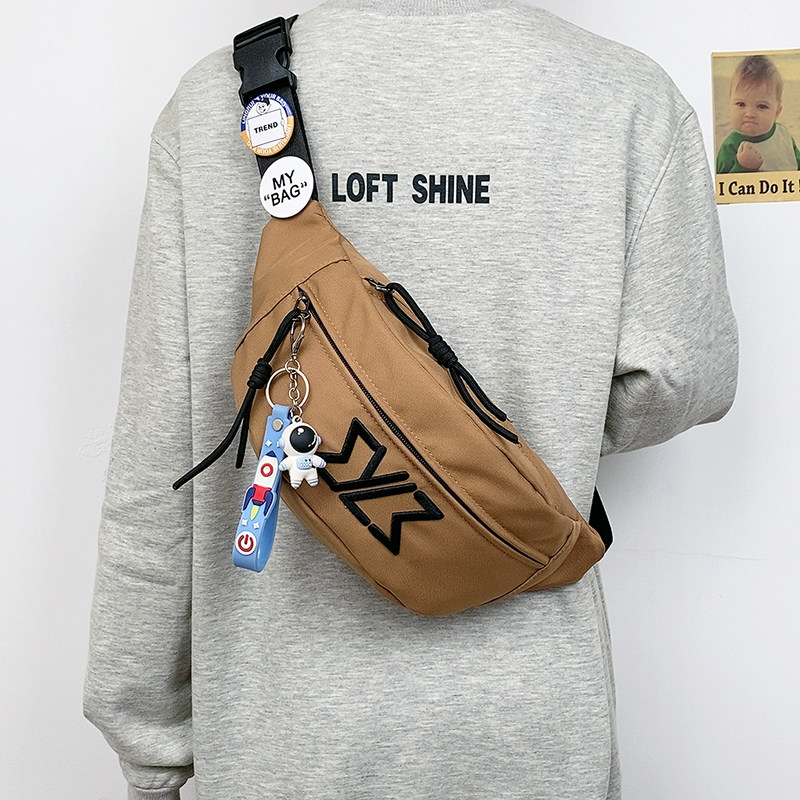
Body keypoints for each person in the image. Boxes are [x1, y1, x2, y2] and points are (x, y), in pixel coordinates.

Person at [84, 2, 739, 799]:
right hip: (532, 732)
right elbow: (685, 376)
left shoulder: (212, 106)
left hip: (281, 737)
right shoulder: (627, 98)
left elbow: (158, 464)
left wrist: (149, 748)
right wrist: (530, 431)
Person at [716, 54, 800, 173]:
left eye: (761, 106)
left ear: (777, 112)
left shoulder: (783, 135)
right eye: (741, 104)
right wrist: (743, 166)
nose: (750, 114)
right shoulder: (730, 146)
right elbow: (721, 183)